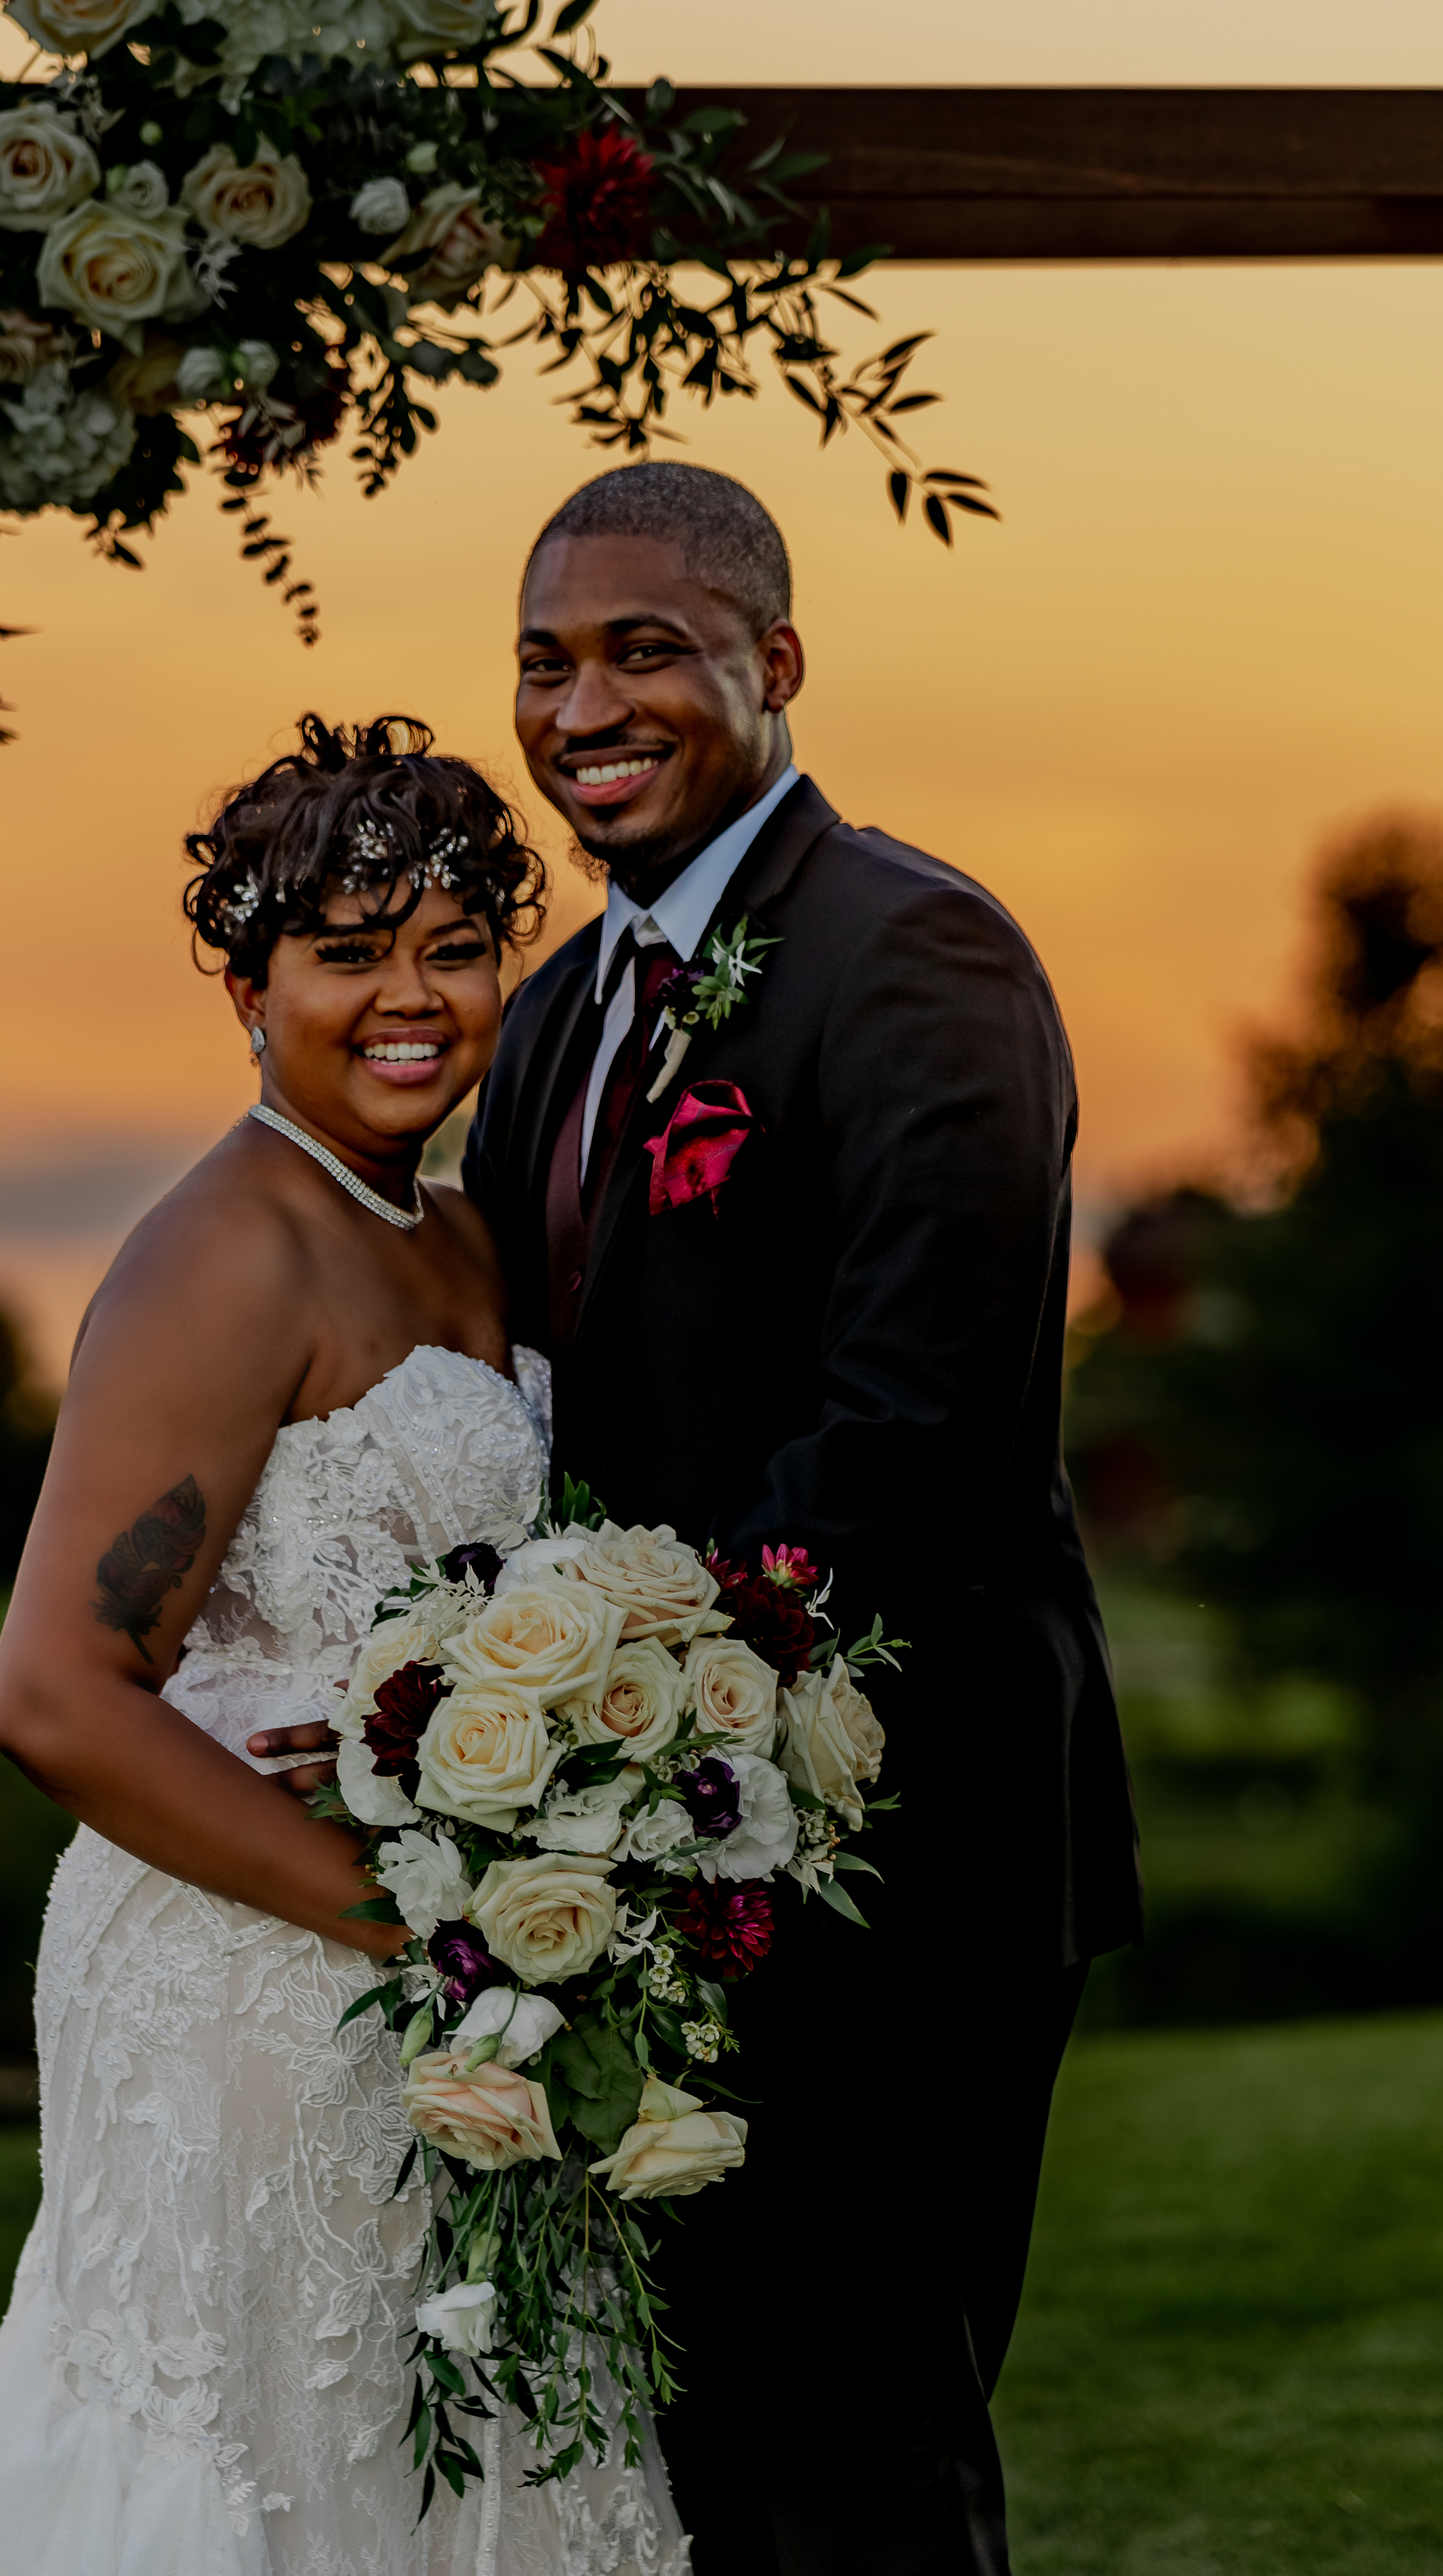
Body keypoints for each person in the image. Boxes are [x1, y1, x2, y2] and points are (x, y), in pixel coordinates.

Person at [0, 717, 687, 2576]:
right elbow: (56, 1696)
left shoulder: (466, 1236)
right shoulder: (225, 1252)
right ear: (246, 986)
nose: (410, 997)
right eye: (345, 950)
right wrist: (413, 1924)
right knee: (278, 2462)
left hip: (464, 1986)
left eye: (456, 946)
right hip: (258, 1980)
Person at [460, 463, 1146, 2573]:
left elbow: (906, 1439)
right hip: (636, 1866)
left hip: (892, 1845)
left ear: (772, 662)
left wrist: (606, 1721)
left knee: (857, 2446)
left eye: (645, 650)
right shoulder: (560, 1014)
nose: (587, 703)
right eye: (545, 663)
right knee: (688, 2453)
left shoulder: (912, 952)